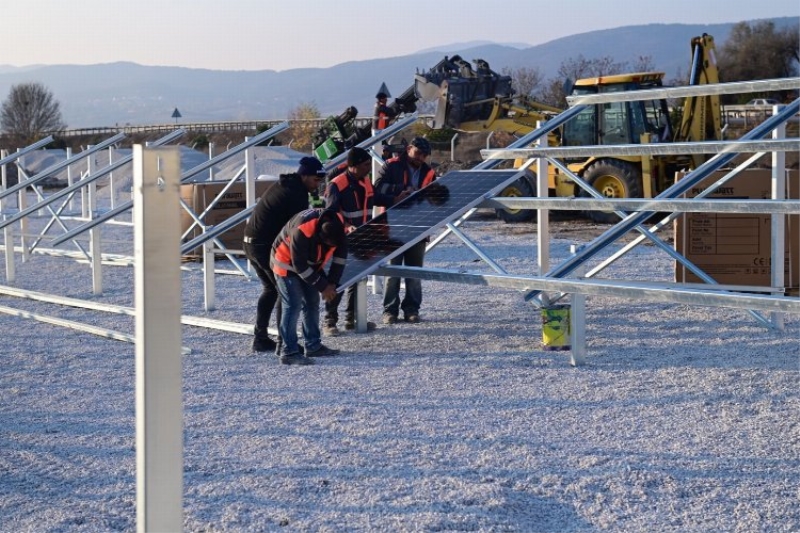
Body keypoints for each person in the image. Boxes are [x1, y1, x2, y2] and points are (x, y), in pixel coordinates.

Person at [243, 156, 326, 352]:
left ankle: (260, 337)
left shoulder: (286, 186)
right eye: (316, 179)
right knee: (285, 291)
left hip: (251, 243)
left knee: (271, 290)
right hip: (263, 245)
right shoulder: (295, 193)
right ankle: (284, 341)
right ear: (304, 176)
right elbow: (299, 229)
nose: (318, 183)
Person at [323, 146, 409, 335]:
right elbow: (330, 214)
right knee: (339, 280)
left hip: (363, 237)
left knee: (358, 279)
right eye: (364, 165)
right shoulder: (337, 185)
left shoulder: (365, 181)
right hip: (342, 240)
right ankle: (330, 321)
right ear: (352, 166)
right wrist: (346, 227)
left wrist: (395, 199)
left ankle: (353, 319)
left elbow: (376, 198)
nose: (368, 168)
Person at [270, 208, 347, 365]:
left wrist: (332, 283)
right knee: (293, 305)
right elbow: (299, 265)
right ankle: (288, 351)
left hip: (310, 265)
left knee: (312, 303)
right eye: (328, 245)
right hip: (285, 263)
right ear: (320, 237)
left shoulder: (339, 229)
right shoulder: (302, 229)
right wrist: (323, 286)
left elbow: (340, 259)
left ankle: (313, 346)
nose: (331, 248)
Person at [373, 137, 436, 324]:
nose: (421, 158)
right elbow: (377, 189)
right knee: (393, 271)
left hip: (417, 227)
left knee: (414, 272)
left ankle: (412, 309)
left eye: (424, 155)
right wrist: (401, 191)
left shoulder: (428, 172)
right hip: (394, 226)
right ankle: (389, 311)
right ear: (409, 149)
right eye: (418, 153)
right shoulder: (391, 166)